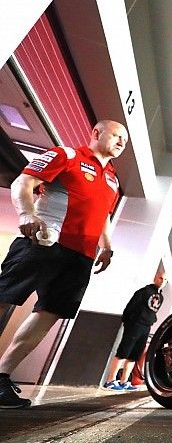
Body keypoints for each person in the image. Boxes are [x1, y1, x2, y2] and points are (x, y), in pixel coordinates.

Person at [0, 120, 128, 409]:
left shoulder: (113, 179)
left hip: (80, 257)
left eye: (125, 140)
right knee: (4, 298)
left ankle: (1, 375)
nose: (121, 142)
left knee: (48, 314)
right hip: (44, 242)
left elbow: (103, 215)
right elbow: (24, 181)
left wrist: (106, 247)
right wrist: (25, 214)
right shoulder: (67, 155)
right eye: (117, 135)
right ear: (96, 133)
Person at [103, 272, 166, 391]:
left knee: (134, 355)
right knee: (123, 351)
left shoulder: (161, 297)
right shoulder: (144, 291)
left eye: (165, 280)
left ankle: (124, 381)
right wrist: (128, 322)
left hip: (146, 326)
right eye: (160, 278)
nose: (162, 281)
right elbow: (131, 306)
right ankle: (110, 380)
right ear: (155, 278)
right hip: (135, 323)